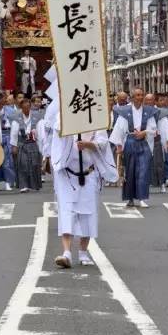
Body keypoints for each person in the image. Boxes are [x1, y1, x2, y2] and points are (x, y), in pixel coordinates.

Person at [45, 67, 117, 268]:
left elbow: (103, 142)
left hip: (89, 173)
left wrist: (88, 144)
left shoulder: (97, 117)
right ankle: (67, 252)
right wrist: (71, 129)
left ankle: (83, 251)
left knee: (88, 213)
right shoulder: (63, 116)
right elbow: (56, 131)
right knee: (67, 211)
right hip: (67, 174)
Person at [111, 92, 155, 209]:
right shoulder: (125, 111)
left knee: (143, 171)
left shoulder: (148, 111)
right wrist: (119, 145)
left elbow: (153, 128)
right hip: (130, 141)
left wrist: (144, 132)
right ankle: (130, 198)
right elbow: (119, 128)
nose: (140, 97)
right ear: (132, 98)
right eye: (137, 95)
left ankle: (142, 198)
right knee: (129, 172)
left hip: (143, 142)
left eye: (141, 95)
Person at [13, 96, 43, 192]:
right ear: (21, 108)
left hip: (33, 143)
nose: (26, 109)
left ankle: (34, 185)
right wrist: (14, 146)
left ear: (30, 107)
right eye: (24, 107)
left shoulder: (36, 117)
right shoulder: (17, 118)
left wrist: (41, 146)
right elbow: (14, 133)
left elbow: (40, 133)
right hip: (22, 143)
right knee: (23, 164)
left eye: (28, 107)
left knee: (34, 164)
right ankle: (24, 185)